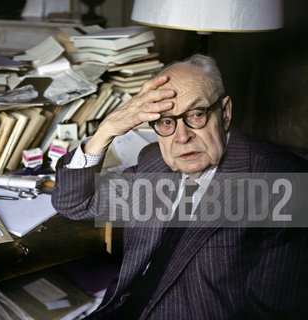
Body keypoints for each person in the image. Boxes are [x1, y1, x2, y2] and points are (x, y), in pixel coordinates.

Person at [51, 54, 308, 319]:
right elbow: (74, 203)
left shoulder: (287, 186)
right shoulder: (154, 162)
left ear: (226, 113)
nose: (182, 137)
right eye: (166, 121)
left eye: (197, 115)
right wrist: (106, 131)